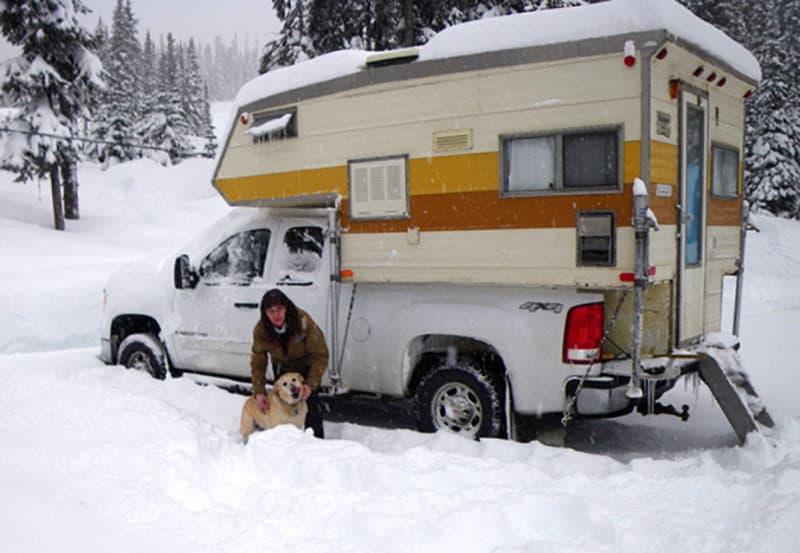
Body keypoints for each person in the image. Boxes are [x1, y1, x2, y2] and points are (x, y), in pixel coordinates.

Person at [250, 288, 329, 438]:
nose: (276, 315)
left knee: (311, 407)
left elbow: (320, 355)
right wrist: (259, 392)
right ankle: (286, 444)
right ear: (265, 314)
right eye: (271, 311)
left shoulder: (303, 322)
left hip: (306, 367)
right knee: (282, 408)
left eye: (279, 309)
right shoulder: (261, 330)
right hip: (282, 370)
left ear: (286, 308)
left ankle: (317, 444)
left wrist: (310, 385)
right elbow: (258, 362)